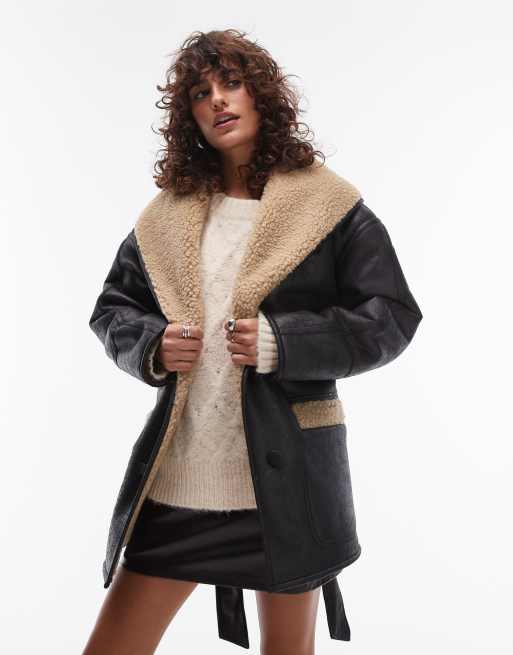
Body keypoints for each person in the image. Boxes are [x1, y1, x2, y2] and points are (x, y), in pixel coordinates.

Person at [84, 28, 423, 655]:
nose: (217, 99)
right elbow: (113, 308)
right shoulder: (166, 216)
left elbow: (392, 316)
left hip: (288, 486)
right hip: (180, 481)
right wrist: (153, 345)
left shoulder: (329, 205)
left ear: (261, 93)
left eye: (231, 83)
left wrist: (283, 343)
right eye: (200, 93)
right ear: (188, 116)